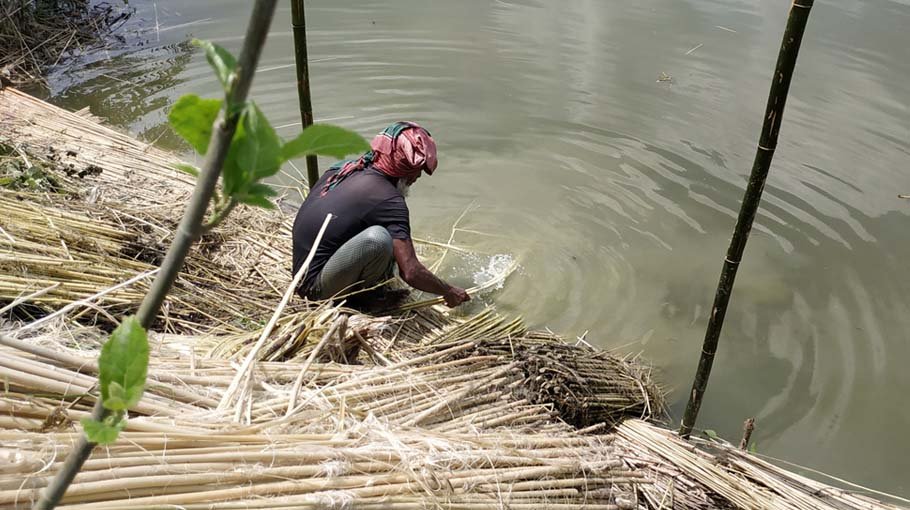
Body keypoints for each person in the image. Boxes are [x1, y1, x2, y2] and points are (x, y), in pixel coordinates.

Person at [292, 121, 471, 309]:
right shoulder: (390, 200)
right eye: (417, 170)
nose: (418, 177)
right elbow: (410, 271)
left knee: (386, 234)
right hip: (314, 290)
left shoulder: (344, 168)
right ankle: (364, 302)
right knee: (378, 239)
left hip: (301, 273)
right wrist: (448, 290)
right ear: (403, 170)